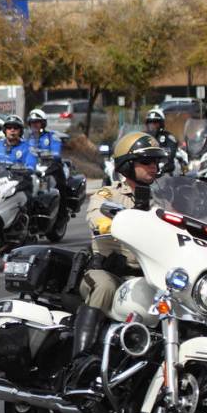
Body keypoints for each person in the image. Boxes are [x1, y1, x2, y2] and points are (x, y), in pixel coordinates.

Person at [73, 132, 165, 358]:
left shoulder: (162, 200)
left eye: (156, 161)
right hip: (108, 271)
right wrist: (107, 223)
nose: (153, 167)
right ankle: (81, 359)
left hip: (150, 276)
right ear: (127, 165)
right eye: (146, 162)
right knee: (104, 288)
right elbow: (96, 216)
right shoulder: (109, 194)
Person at [144, 108, 179, 174]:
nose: (152, 126)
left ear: (161, 124)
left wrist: (163, 165)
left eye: (155, 123)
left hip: (164, 171)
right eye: (150, 123)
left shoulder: (168, 137)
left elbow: (171, 152)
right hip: (147, 168)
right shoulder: (143, 136)